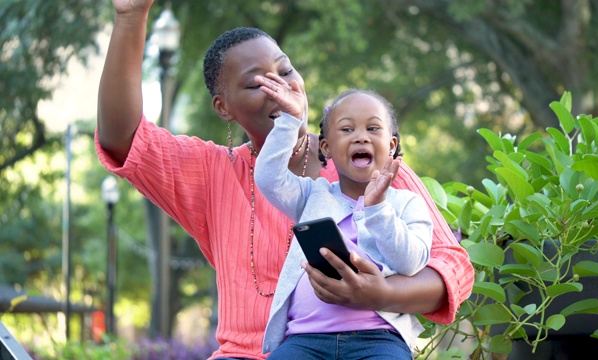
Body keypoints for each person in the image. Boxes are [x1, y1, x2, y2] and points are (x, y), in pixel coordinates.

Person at [96, 1, 474, 359]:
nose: (281, 86)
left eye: (286, 71)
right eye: (256, 83)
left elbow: (451, 269)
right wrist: (131, 17)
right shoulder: (212, 172)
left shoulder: (371, 170)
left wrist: (379, 294)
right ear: (223, 107)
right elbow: (123, 138)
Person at [254, 82, 433, 359]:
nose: (361, 137)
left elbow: (410, 262)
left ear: (391, 144)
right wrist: (290, 120)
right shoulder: (312, 195)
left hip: (378, 339)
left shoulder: (407, 203)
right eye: (347, 129)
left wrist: (378, 209)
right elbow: (268, 178)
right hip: (304, 340)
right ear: (326, 147)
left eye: (373, 128)